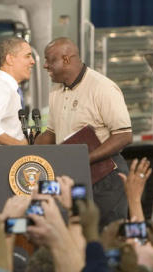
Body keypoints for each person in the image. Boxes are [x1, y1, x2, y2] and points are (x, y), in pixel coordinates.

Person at [36, 37, 133, 227]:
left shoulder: (102, 88)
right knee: (77, 236)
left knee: (108, 238)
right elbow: (52, 133)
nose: (45, 65)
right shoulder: (56, 90)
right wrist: (25, 150)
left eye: (49, 60)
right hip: (74, 175)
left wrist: (83, 159)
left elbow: (124, 136)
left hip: (105, 179)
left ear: (65, 60)